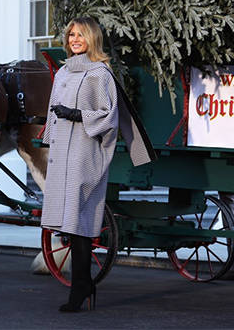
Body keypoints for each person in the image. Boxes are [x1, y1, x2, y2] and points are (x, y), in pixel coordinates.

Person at [40, 16, 155, 312]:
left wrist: (77, 115)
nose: (74, 39)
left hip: (84, 151)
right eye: (71, 34)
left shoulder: (99, 73)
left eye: (80, 34)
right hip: (61, 152)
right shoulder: (64, 71)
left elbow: (109, 115)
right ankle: (84, 286)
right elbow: (53, 113)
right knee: (68, 222)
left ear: (92, 38)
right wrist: (49, 137)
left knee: (78, 220)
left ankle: (80, 288)